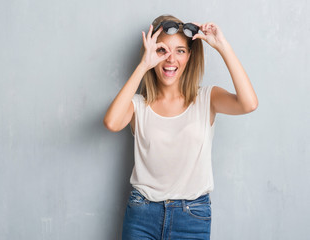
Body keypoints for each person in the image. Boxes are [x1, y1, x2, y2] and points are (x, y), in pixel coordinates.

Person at [103, 14, 258, 240]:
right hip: (142, 214)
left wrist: (222, 46)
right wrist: (143, 66)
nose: (170, 59)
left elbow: (249, 103)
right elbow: (111, 122)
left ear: (189, 56)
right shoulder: (138, 105)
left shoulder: (207, 98)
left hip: (192, 217)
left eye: (180, 51)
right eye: (162, 50)